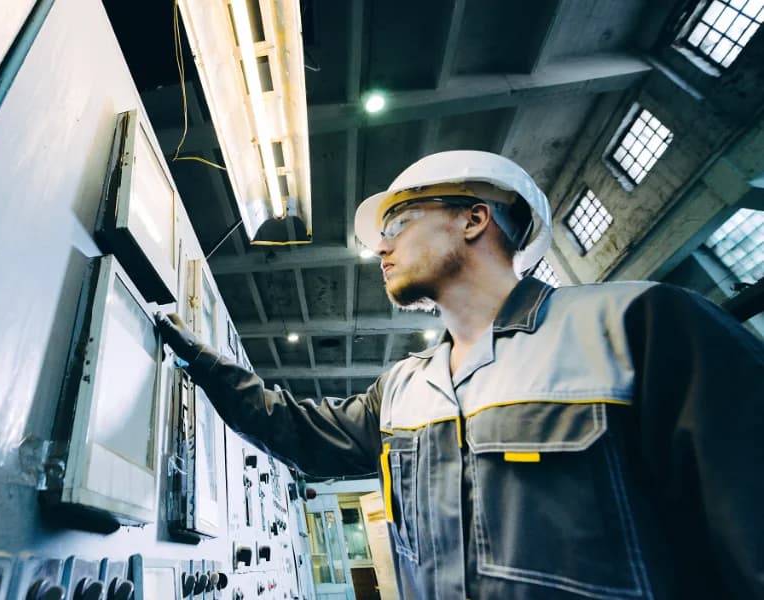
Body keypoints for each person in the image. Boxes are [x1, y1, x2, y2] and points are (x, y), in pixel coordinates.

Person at [156, 150, 764, 599]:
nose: (381, 249)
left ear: (473, 220)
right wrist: (202, 360)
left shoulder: (639, 326)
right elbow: (293, 429)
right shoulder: (401, 388)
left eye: (398, 226)